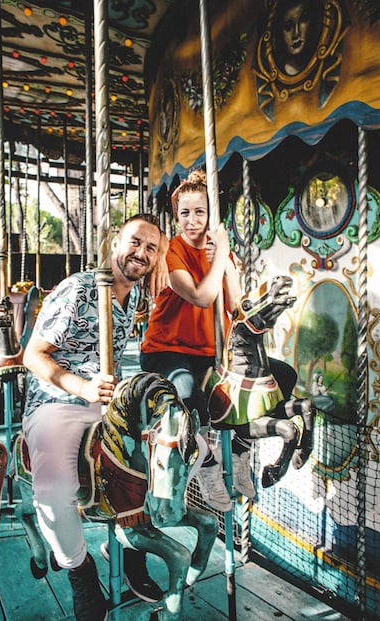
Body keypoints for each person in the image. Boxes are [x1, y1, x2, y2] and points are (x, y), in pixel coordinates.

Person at [22, 214, 168, 621]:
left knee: (182, 452)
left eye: (151, 248)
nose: (141, 253)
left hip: (108, 403)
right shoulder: (79, 288)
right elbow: (33, 356)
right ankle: (79, 570)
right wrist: (81, 387)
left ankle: (130, 542)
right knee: (53, 491)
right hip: (58, 399)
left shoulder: (136, 297)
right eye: (135, 242)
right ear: (116, 241)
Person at [140, 169, 297, 511]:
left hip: (212, 351)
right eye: (185, 213)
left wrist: (255, 290)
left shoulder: (224, 254)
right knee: (186, 395)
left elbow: (236, 304)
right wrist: (222, 255)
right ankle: (208, 467)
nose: (193, 220)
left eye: (200, 212)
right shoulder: (173, 253)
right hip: (167, 351)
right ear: (176, 216)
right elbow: (199, 295)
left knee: (282, 376)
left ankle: (240, 454)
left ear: (212, 214)